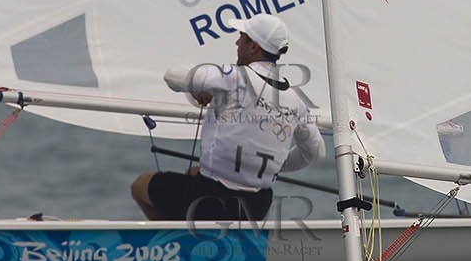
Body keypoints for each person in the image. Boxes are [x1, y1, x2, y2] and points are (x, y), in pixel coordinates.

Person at [130, 14, 325, 222]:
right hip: (257, 205)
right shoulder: (296, 100)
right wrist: (274, 164)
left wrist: (197, 88)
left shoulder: (233, 77)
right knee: (193, 172)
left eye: (241, 37)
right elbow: (316, 152)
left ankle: (177, 239)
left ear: (253, 47)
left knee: (140, 185)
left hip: (212, 197)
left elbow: (173, 75)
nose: (237, 43)